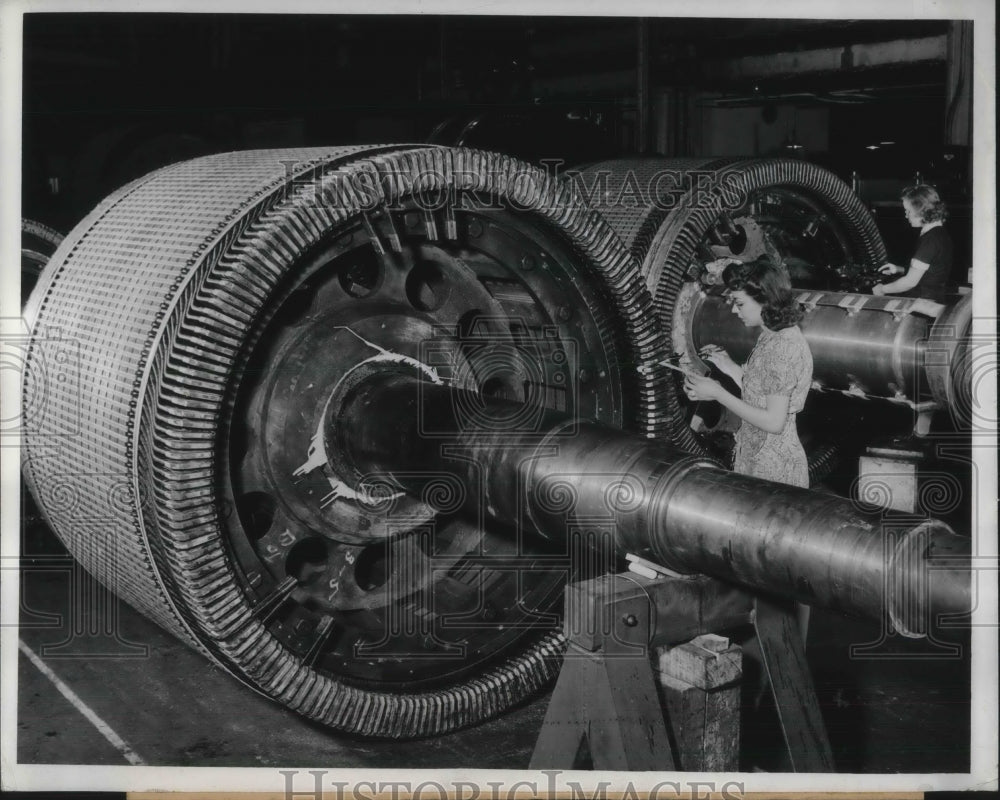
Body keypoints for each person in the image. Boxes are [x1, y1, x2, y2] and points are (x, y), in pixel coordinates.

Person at [684, 257, 813, 488]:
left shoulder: (781, 347)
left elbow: (774, 421)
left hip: (774, 471)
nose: (734, 310)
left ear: (765, 300)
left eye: (740, 303)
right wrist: (731, 368)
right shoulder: (773, 334)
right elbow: (765, 393)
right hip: (758, 459)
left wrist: (718, 393)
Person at [871, 184, 952, 303]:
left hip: (923, 304)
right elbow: (929, 272)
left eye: (908, 211)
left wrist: (882, 289)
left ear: (922, 211)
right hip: (932, 299)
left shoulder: (930, 240)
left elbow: (910, 282)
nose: (906, 215)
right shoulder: (938, 234)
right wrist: (898, 269)